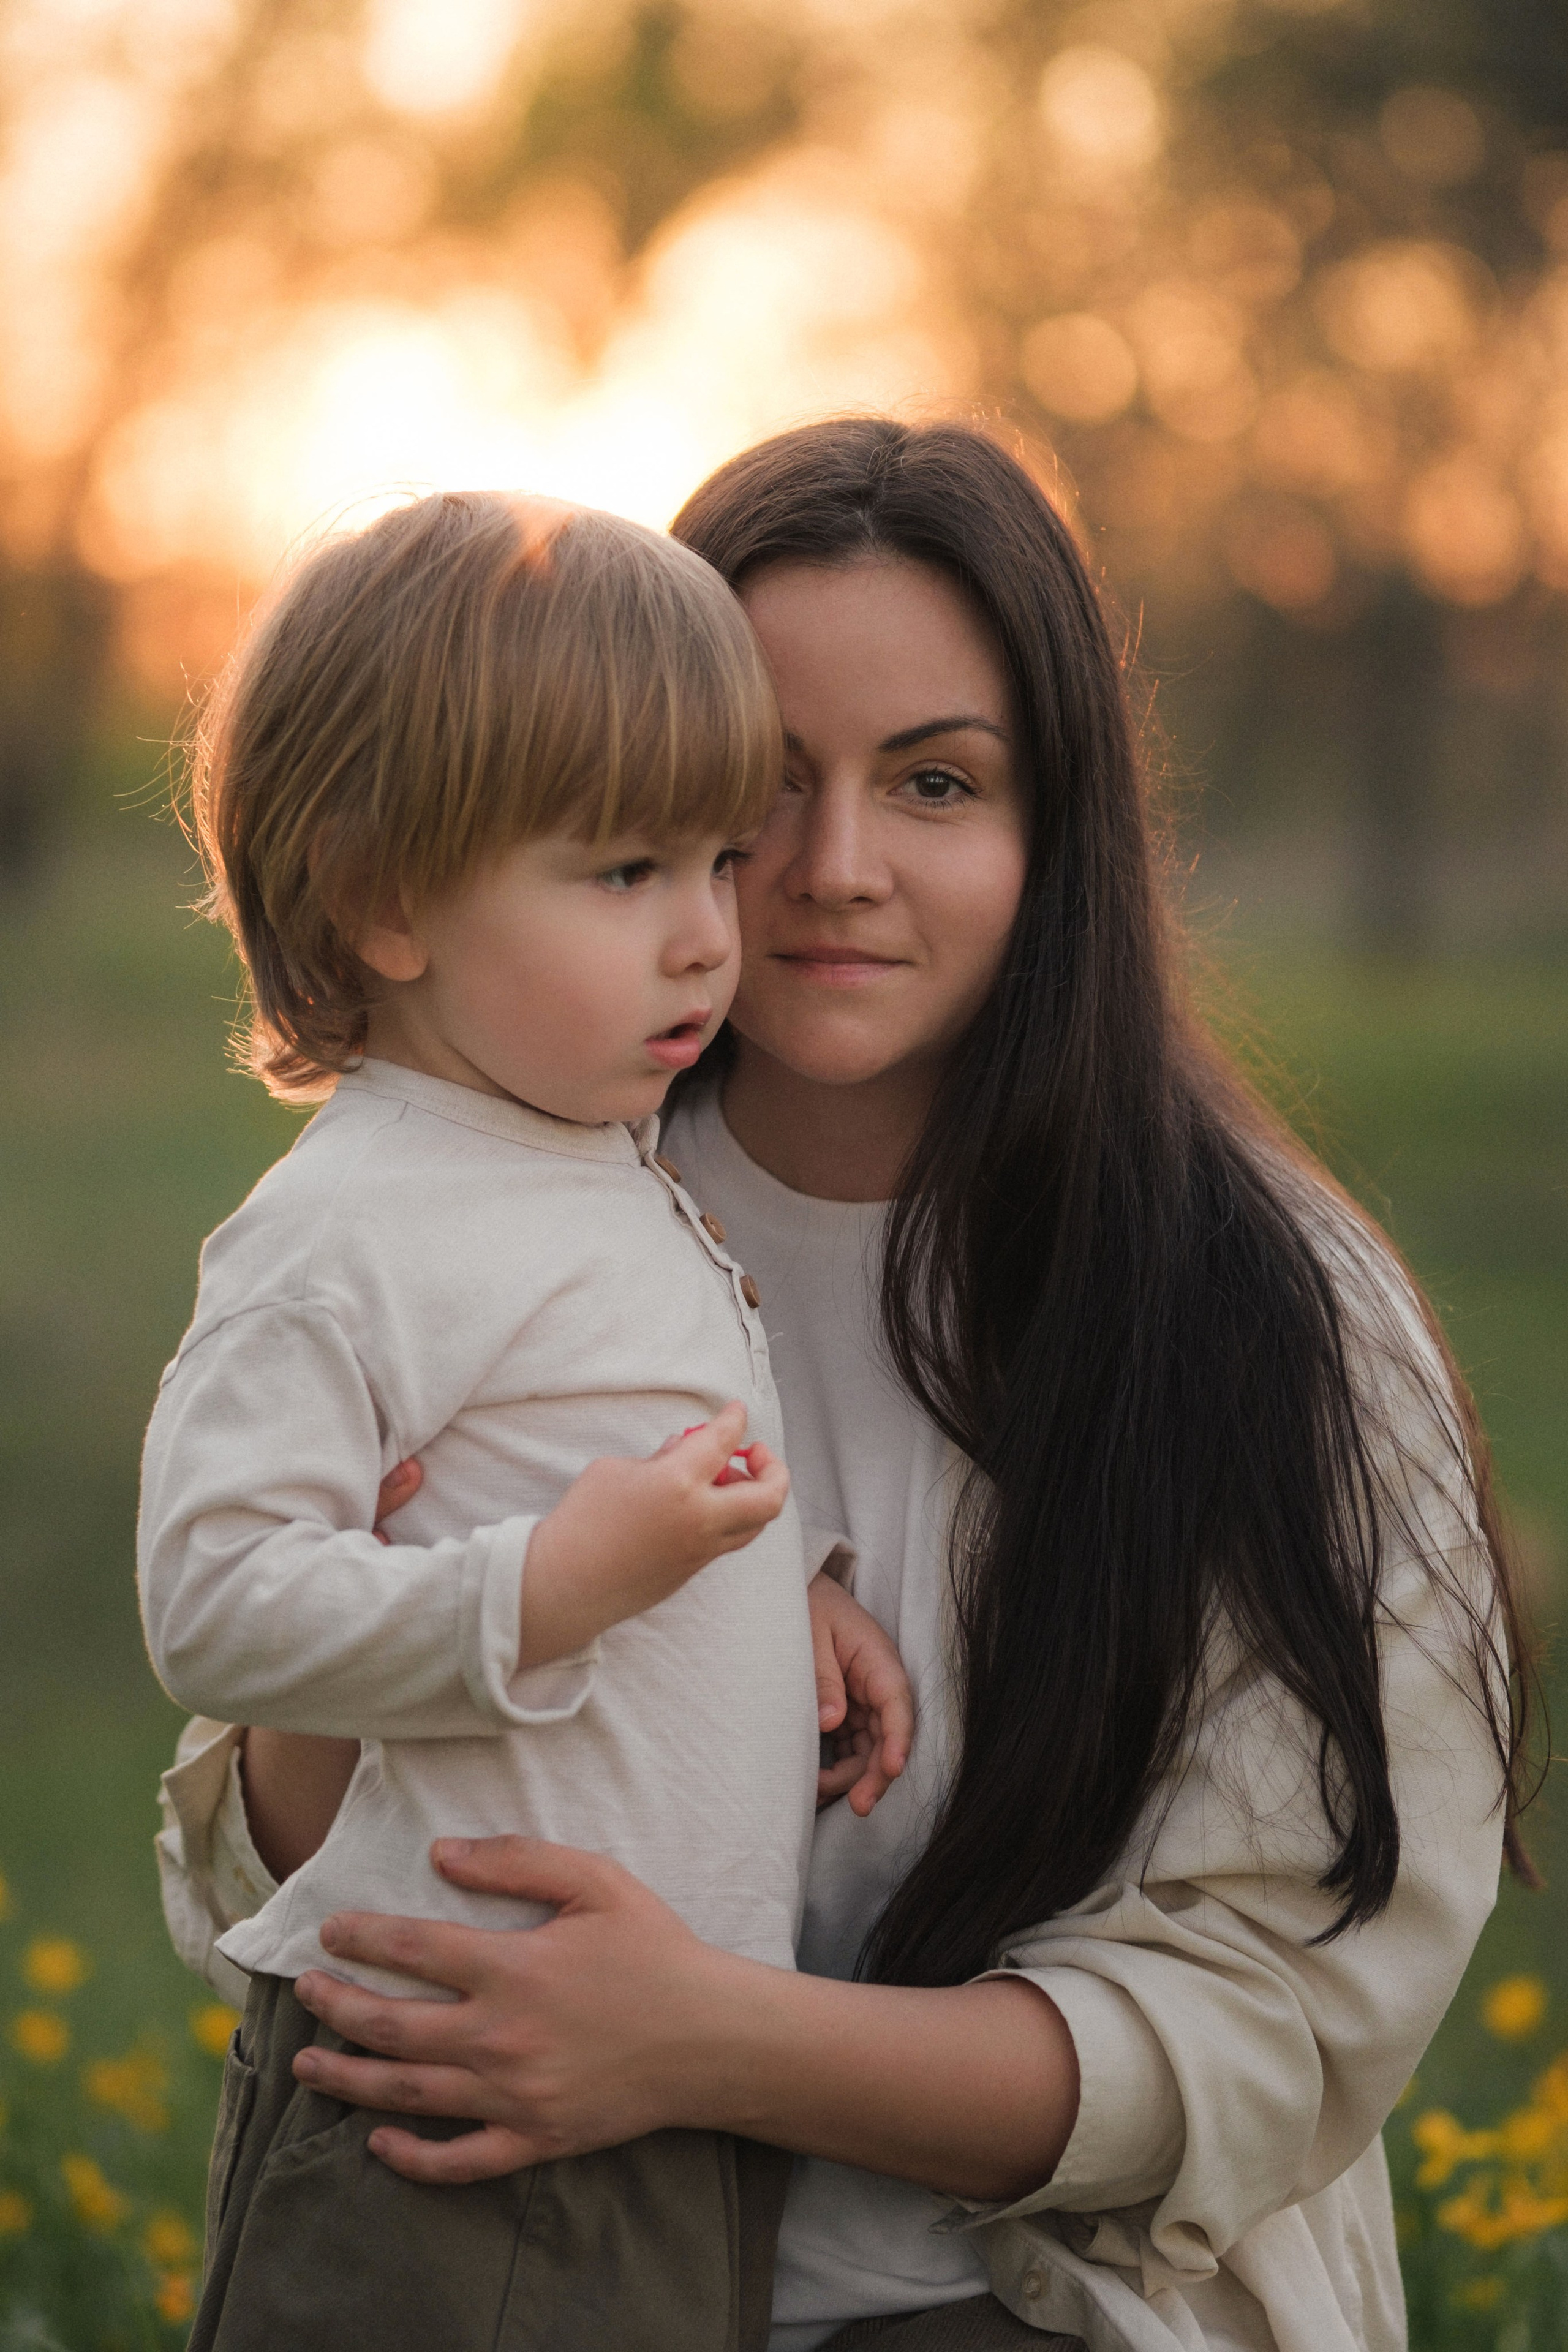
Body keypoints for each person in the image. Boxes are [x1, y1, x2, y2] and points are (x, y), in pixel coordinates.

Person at [157, 422, 1532, 2352]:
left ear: (1062, 835)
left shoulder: (1267, 1313)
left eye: (937, 783)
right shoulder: (489, 1203)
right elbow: (266, 1860)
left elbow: (1279, 2022)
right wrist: (438, 1639)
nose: (823, 873)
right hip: (527, 2269)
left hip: (1031, 2307)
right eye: (747, 795)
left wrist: (709, 2046)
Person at [140, 488, 913, 2352]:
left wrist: (761, 1588)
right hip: (454, 2105)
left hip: (658, 2092)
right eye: (621, 874)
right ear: (384, 899)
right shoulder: (351, 1225)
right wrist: (547, 1590)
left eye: (714, 864)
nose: (706, 940)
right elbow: (216, 1605)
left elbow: (599, 1445)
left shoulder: (582, 1153)